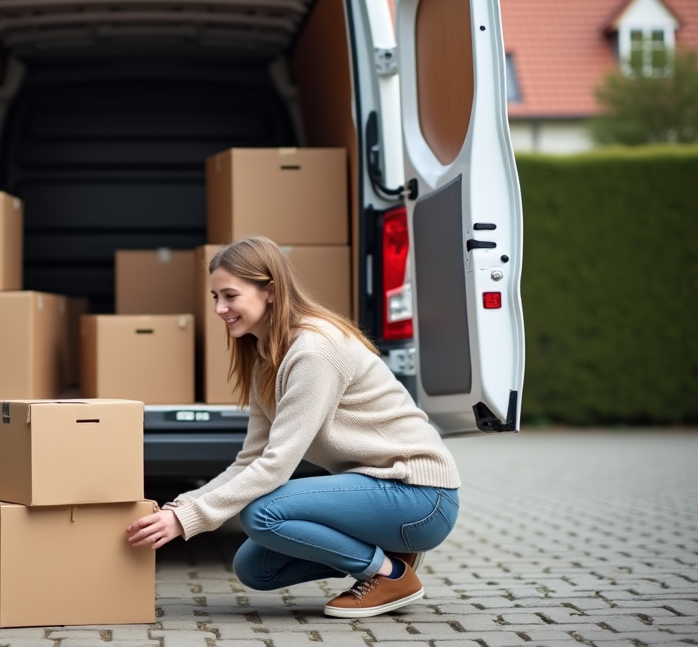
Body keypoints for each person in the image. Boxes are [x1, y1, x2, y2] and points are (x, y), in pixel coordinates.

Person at [126, 235, 461, 618]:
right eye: (215, 297)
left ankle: (390, 574)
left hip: (420, 496)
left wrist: (189, 521)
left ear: (269, 290)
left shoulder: (314, 351)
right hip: (383, 492)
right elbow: (249, 458)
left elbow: (276, 465)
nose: (220, 308)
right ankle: (388, 554)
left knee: (262, 513)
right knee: (255, 568)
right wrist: (182, 506)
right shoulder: (267, 356)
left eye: (230, 296)